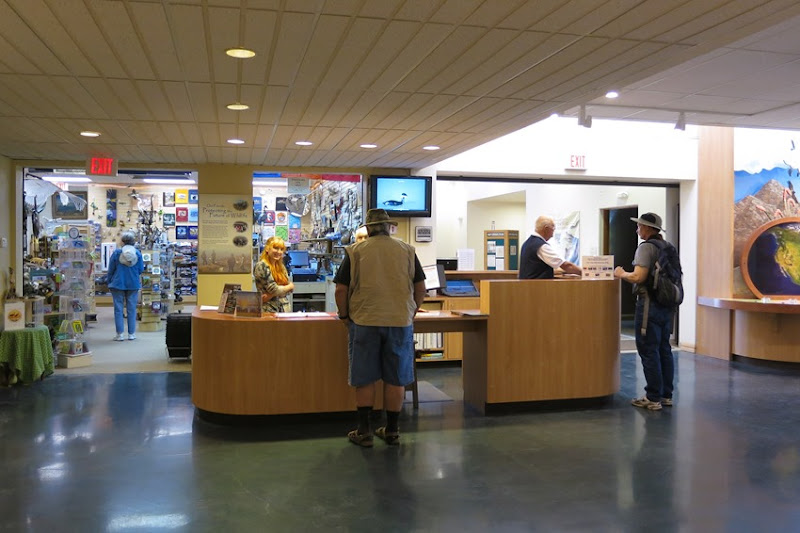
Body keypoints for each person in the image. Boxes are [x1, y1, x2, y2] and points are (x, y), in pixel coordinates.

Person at [334, 209, 426, 447]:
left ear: (368, 228)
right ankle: (392, 430)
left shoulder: (354, 251)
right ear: (388, 227)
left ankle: (364, 431)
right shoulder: (407, 250)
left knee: (364, 377)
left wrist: (344, 316)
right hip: (399, 322)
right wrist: (411, 311)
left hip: (364, 320)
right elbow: (421, 288)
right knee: (396, 378)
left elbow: (341, 290)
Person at [614, 212, 675, 411]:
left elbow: (639, 277)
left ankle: (652, 397)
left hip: (649, 304)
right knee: (664, 349)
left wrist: (622, 274)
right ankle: (666, 395)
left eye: (640, 225)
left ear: (648, 228)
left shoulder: (646, 248)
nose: (637, 229)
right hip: (667, 305)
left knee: (649, 349)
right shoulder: (668, 247)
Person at [106, 231, 144, 341]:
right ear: (133, 242)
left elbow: (111, 270)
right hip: (133, 284)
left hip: (118, 284)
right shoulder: (137, 253)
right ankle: (131, 334)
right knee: (132, 309)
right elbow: (141, 269)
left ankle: (120, 334)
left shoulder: (117, 253)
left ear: (122, 241)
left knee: (118, 309)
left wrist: (109, 282)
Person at [254, 236, 294, 312]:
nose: (279, 252)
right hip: (269, 310)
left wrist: (270, 294)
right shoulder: (262, 266)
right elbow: (275, 290)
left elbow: (289, 291)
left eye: (281, 249)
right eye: (275, 248)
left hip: (284, 309)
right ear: (267, 249)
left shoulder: (280, 266)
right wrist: (289, 286)